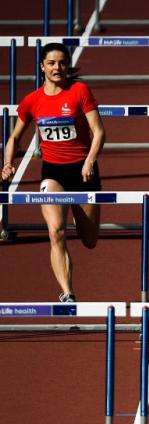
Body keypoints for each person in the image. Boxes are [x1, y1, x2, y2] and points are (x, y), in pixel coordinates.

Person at [2, 42, 106, 303]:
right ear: (42, 67)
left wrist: (90, 160)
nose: (57, 67)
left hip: (83, 171)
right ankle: (67, 293)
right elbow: (14, 138)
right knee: (56, 232)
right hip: (53, 173)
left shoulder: (79, 91)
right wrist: (7, 163)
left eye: (61, 63)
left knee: (90, 240)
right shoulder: (32, 100)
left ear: (68, 65)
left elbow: (99, 131)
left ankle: (77, 214)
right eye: (51, 63)